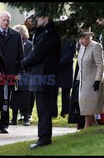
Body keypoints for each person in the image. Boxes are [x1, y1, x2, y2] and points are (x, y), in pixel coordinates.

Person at [21, 12, 61, 149]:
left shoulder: (48, 34)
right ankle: (43, 137)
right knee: (42, 109)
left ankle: (44, 139)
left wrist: (23, 63)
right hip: (42, 75)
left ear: (46, 18)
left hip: (43, 75)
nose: (36, 19)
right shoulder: (43, 32)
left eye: (39, 17)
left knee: (44, 110)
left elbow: (36, 54)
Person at [76, 29, 104, 129]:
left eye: (83, 38)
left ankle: (87, 126)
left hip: (93, 80)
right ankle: (94, 125)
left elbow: (101, 65)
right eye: (80, 38)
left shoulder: (96, 46)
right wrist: (78, 79)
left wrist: (98, 80)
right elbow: (80, 64)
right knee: (85, 103)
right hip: (83, 81)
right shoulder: (82, 48)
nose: (81, 41)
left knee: (89, 104)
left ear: (88, 37)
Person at [9, 24, 33, 126]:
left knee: (26, 97)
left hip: (26, 74)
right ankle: (13, 118)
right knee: (14, 96)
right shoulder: (12, 44)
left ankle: (26, 118)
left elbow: (30, 58)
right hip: (15, 74)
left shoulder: (29, 45)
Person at [56, 16, 76, 118]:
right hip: (55, 66)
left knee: (66, 91)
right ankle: (53, 112)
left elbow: (71, 52)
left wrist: (62, 61)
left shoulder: (72, 37)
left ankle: (65, 111)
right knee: (53, 90)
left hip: (66, 66)